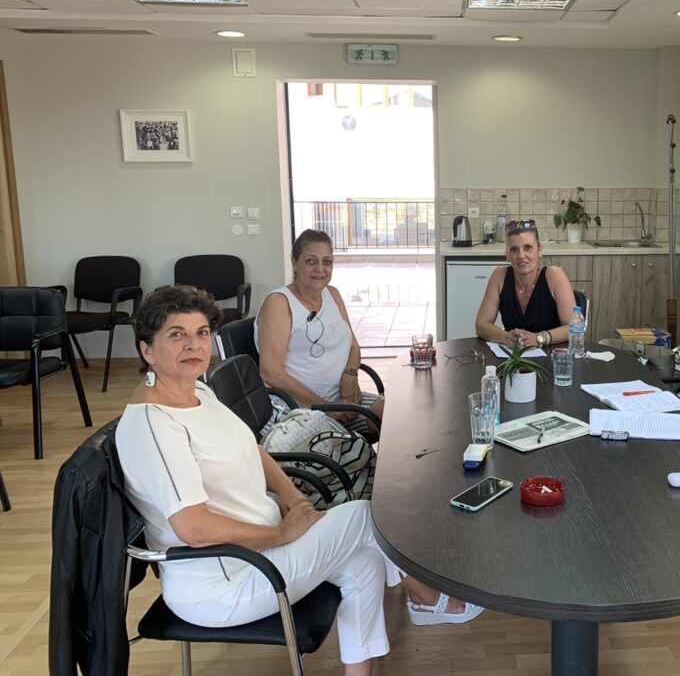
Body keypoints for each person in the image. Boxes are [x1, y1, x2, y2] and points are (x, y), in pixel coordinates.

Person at [115, 286, 483, 676]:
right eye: (177, 335)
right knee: (364, 516)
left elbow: (252, 448)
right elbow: (193, 528)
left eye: (201, 332)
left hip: (260, 552)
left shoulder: (197, 391)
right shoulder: (153, 426)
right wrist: (282, 534)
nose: (194, 344)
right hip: (223, 585)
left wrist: (290, 495)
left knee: (364, 560)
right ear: (147, 350)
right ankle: (426, 596)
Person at [256, 229, 383, 432]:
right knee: (342, 446)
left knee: (392, 415)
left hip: (340, 401)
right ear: (294, 262)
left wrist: (350, 375)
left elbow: (353, 346)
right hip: (298, 408)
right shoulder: (279, 302)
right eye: (311, 261)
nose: (320, 269)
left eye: (327, 262)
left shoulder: (333, 294)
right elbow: (270, 372)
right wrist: (326, 408)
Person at [475, 218, 577, 349]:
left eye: (527, 248)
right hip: (514, 356)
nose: (521, 255)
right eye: (514, 249)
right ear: (507, 254)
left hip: (553, 356)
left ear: (539, 250)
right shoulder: (499, 276)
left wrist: (539, 338)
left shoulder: (554, 275)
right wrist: (506, 337)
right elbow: (481, 325)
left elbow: (574, 327)